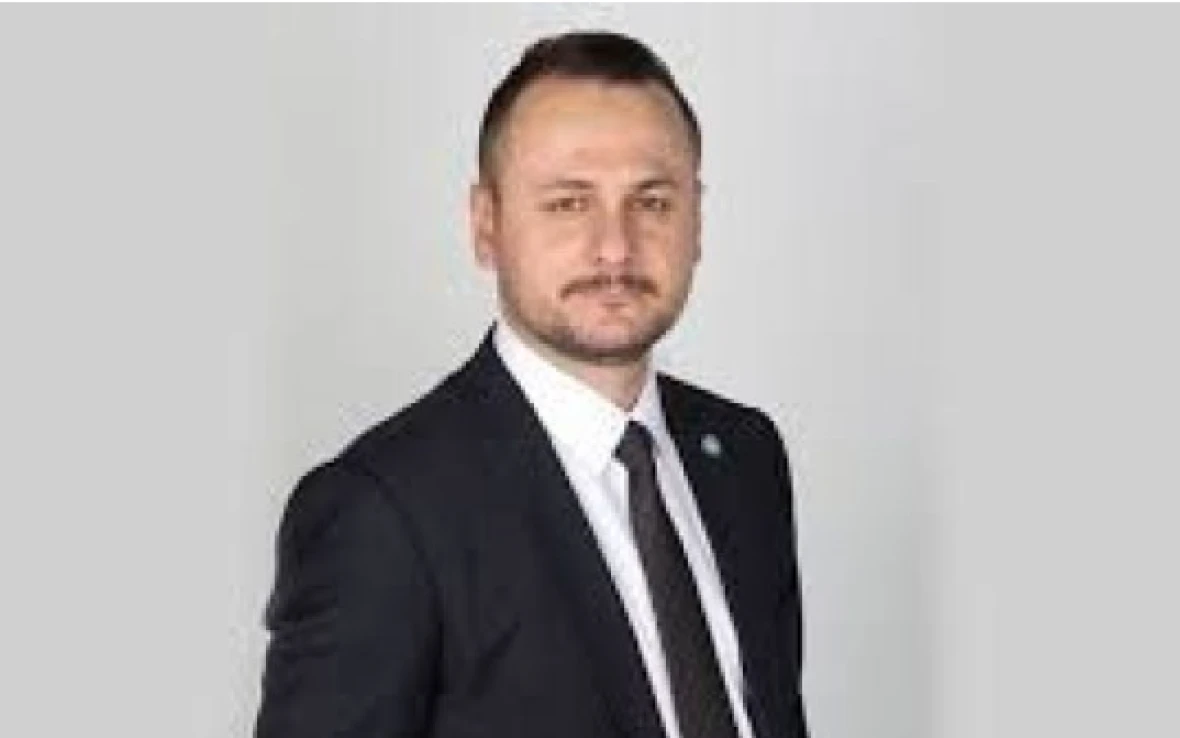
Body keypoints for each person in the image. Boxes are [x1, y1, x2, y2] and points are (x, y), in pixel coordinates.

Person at [256, 30, 809, 738]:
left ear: (697, 219)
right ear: (486, 225)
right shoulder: (382, 516)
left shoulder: (745, 457)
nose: (615, 246)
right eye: (569, 203)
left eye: (652, 201)